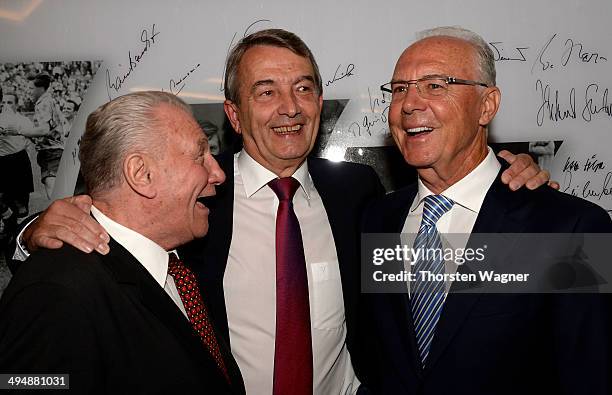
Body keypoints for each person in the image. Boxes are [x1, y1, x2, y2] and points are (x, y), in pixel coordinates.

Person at [16, 30, 550, 394]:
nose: (289, 107)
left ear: (320, 102)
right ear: (235, 113)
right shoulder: (197, 198)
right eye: (266, 91)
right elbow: (114, 235)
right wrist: (31, 231)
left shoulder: (361, 197)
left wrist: (506, 178)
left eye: (303, 89)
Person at [359, 26, 611, 394]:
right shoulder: (377, 219)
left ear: (487, 105)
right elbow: (381, 358)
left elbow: (592, 375)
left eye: (435, 85)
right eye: (399, 89)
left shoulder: (570, 228)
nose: (409, 104)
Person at [0, 91, 245, 394]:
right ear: (141, 174)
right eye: (199, 156)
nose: (218, 173)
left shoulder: (176, 265)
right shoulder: (57, 294)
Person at [4, 73, 67, 199]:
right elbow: (51, 131)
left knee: (54, 193)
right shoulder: (49, 101)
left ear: (41, 88)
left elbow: (44, 130)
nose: (28, 91)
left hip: (51, 154)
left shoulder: (43, 103)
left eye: (31, 88)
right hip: (55, 151)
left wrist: (19, 131)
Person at [0, 88, 34, 241]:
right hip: (2, 161)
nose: (7, 104)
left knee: (21, 203)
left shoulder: (20, 120)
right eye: (5, 101)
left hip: (17, 161)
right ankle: (9, 221)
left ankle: (20, 235)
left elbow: (32, 138)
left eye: (10, 102)